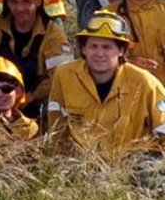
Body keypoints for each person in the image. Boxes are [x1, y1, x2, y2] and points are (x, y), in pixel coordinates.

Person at [47, 10, 165, 159]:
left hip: (131, 168)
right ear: (83, 49)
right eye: (93, 46)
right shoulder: (65, 75)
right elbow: (56, 126)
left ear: (121, 50)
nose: (99, 53)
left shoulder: (145, 83)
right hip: (81, 165)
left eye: (107, 47)